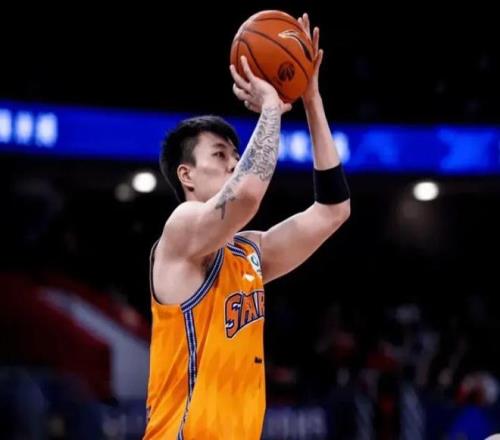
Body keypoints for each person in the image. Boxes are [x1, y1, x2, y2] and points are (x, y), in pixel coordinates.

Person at [143, 14, 351, 439]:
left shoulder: (250, 254)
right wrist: (271, 106)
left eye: (235, 155)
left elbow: (333, 210)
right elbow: (247, 197)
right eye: (220, 154)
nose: (234, 163)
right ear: (186, 175)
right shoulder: (180, 230)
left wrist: (311, 99)